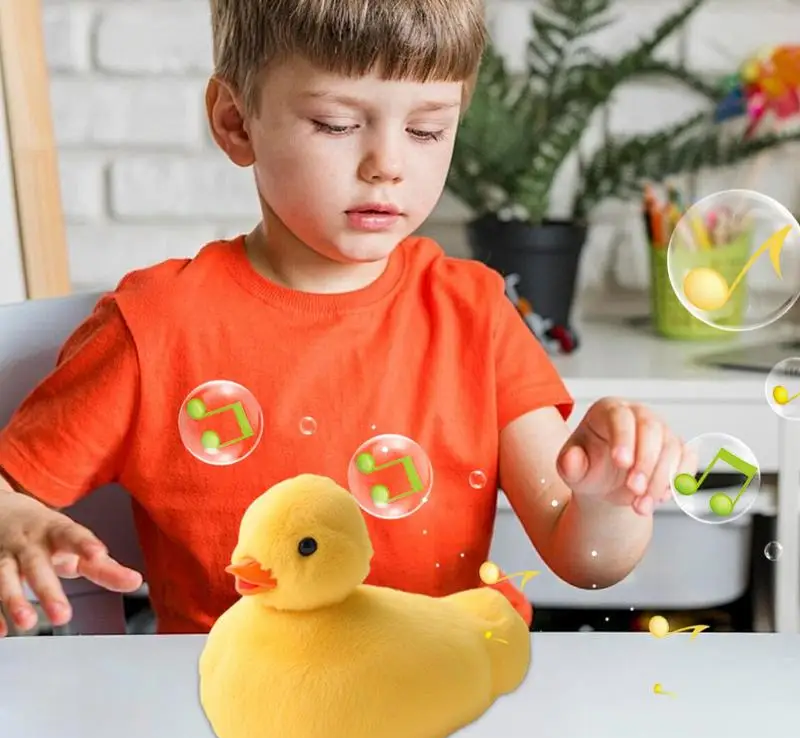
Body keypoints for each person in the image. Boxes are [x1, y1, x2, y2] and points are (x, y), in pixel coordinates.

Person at [0, 0, 691, 637]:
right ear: (236, 122)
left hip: (450, 702)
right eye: (336, 123)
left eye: (427, 129)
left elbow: (588, 560)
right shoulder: (155, 328)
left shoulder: (473, 317)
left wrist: (609, 497)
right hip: (237, 721)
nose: (386, 164)